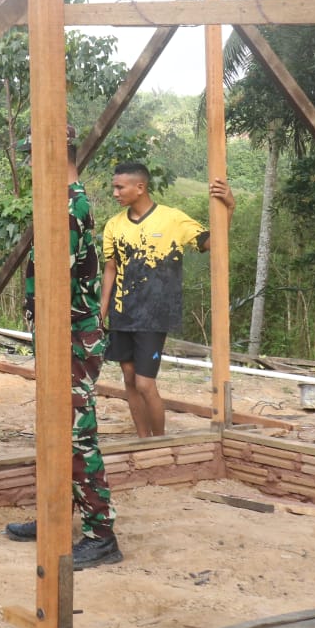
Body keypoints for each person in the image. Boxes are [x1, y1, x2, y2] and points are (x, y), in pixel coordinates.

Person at [3, 128, 120, 569]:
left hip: (71, 337)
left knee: (76, 435)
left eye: (33, 155)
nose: (29, 164)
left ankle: (101, 534)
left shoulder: (70, 205)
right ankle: (55, 516)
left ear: (53, 153)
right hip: (61, 337)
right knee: (56, 430)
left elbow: (59, 283)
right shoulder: (60, 201)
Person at [100, 161, 235, 437]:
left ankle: (159, 442)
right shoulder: (113, 225)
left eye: (120, 187)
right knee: (129, 379)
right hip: (122, 312)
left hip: (154, 315)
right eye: (114, 187)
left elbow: (213, 242)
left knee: (144, 383)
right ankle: (143, 441)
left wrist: (229, 207)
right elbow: (110, 269)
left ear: (140, 187)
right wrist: (102, 312)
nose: (115, 193)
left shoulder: (173, 219)